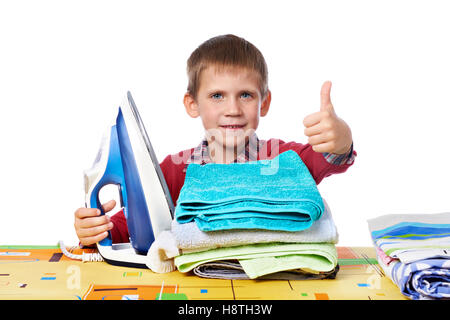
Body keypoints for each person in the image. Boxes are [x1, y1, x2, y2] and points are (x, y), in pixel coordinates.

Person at [74, 34, 356, 247]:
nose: (232, 109)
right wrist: (97, 228)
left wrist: (341, 138)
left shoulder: (283, 159)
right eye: (217, 96)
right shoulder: (176, 170)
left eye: (245, 95)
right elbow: (135, 224)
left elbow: (329, 157)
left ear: (264, 102)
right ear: (192, 103)